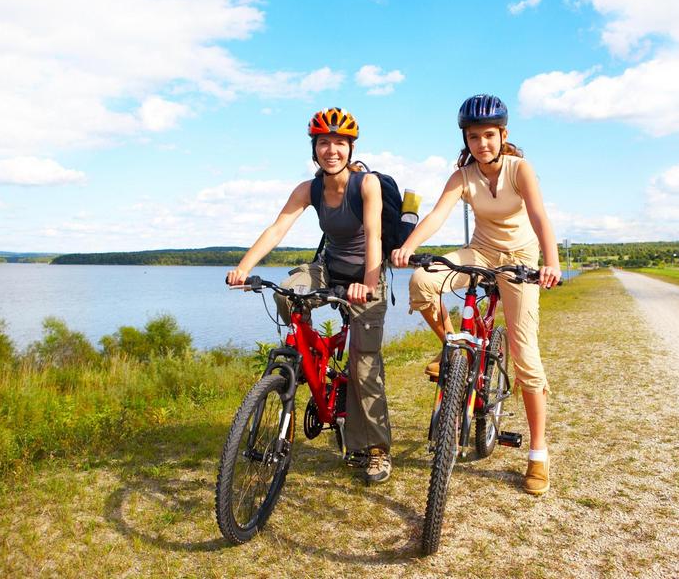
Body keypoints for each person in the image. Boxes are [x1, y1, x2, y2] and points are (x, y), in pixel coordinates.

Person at [391, 94, 561, 495]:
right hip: (480, 252)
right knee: (423, 282)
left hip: (520, 259)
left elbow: (539, 216)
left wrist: (550, 262)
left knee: (526, 357)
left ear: (503, 135)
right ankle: (450, 343)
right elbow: (436, 214)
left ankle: (538, 454)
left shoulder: (521, 169)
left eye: (488, 135)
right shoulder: (463, 176)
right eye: (473, 137)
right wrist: (409, 247)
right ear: (465, 140)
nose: (481, 144)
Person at [226, 108, 393, 484]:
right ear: (314, 148)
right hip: (329, 268)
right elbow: (277, 228)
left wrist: (366, 284)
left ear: (350, 148)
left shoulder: (365, 185)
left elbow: (374, 236)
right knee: (286, 292)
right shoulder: (310, 189)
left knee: (363, 366)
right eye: (323, 143)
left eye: (339, 143)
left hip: (366, 274)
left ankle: (377, 450)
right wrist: (244, 267)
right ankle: (309, 354)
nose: (331, 150)